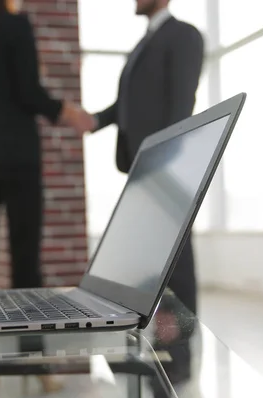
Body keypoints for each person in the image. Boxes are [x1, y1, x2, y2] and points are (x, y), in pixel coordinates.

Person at [0, 0, 92, 392]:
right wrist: (66, 110)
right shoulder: (15, 26)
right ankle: (38, 365)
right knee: (25, 264)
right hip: (18, 156)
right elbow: (29, 92)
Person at [88, 0, 204, 316]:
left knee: (174, 260)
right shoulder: (144, 43)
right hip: (142, 165)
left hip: (164, 167)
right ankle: (160, 340)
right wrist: (95, 120)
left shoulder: (183, 35)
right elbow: (127, 101)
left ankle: (182, 349)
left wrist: (165, 162)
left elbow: (181, 106)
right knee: (151, 259)